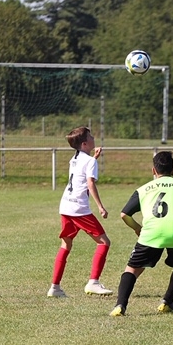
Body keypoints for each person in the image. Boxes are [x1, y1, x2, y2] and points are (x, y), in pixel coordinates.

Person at [109, 151, 173, 316]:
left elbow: (124, 214)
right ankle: (167, 302)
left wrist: (137, 228)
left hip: (151, 234)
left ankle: (120, 305)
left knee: (132, 269)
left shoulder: (143, 189)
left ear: (153, 171)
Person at [47, 126, 113, 298]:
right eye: (90, 136)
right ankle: (93, 282)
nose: (93, 138)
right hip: (79, 208)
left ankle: (55, 287)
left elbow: (82, 172)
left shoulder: (75, 158)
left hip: (65, 206)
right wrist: (100, 206)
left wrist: (94, 158)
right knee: (104, 242)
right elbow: (90, 183)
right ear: (84, 143)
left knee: (66, 245)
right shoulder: (90, 162)